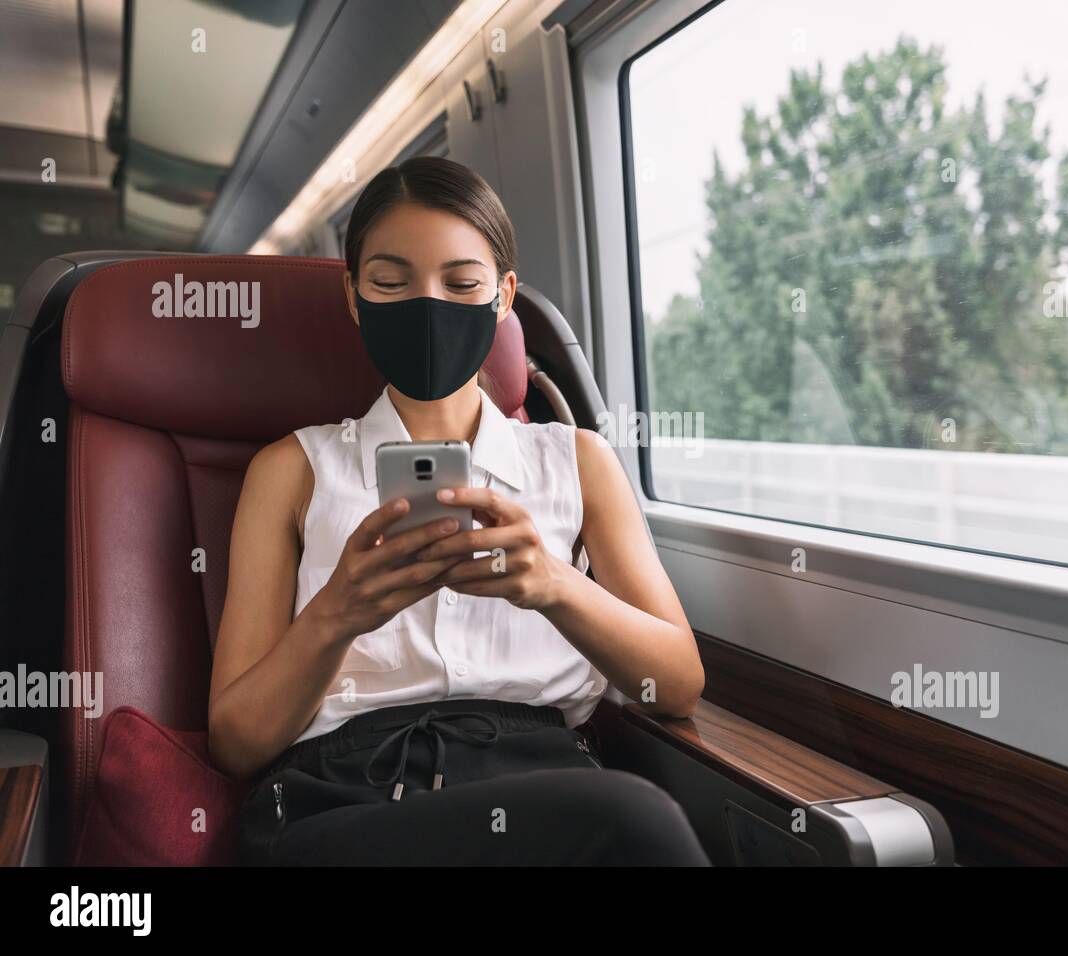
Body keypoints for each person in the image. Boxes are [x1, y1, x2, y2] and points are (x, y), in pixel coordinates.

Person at [208, 156, 711, 865]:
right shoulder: (291, 469)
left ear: (504, 296)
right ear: (354, 297)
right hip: (346, 800)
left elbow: (678, 684)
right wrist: (338, 613)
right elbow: (236, 743)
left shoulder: (578, 461)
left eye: (462, 282)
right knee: (632, 819)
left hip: (542, 788)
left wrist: (555, 586)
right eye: (390, 282)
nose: (428, 306)